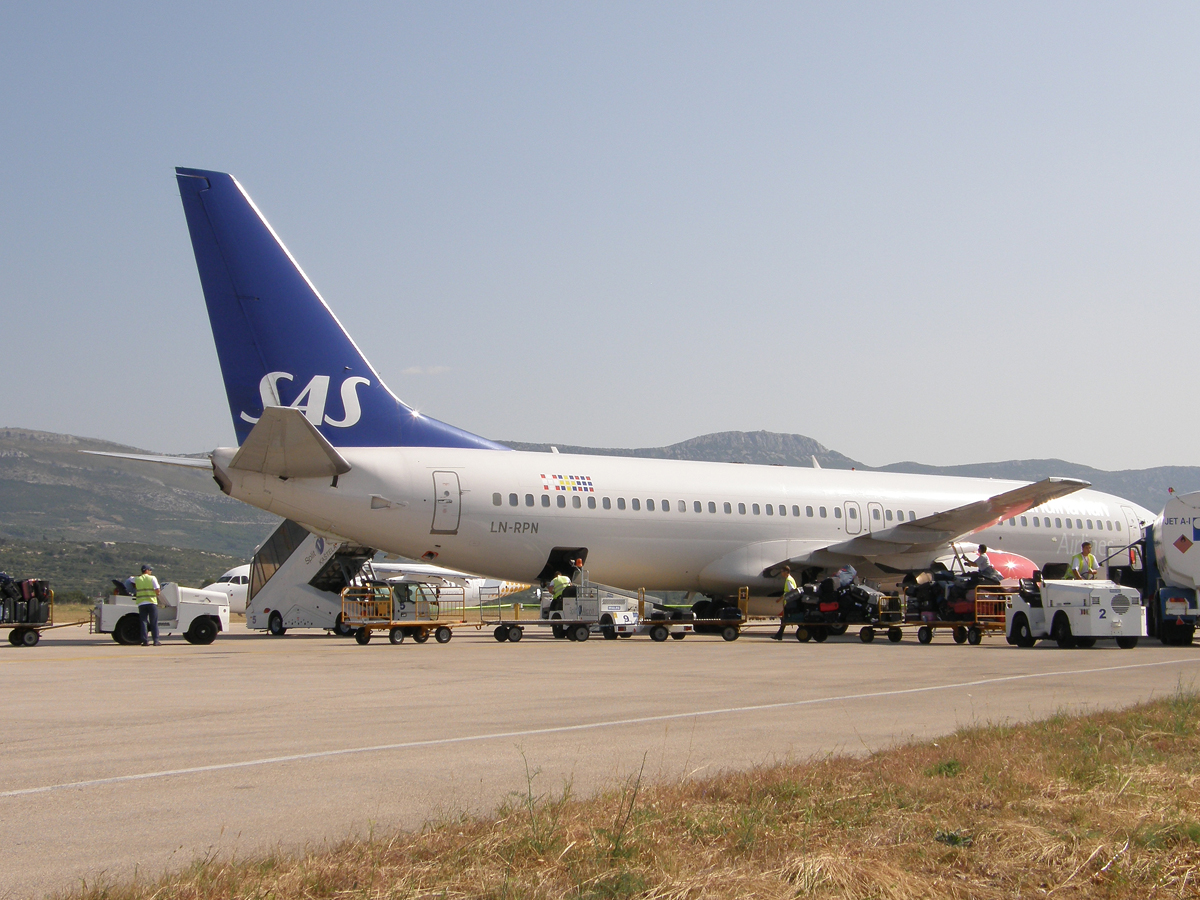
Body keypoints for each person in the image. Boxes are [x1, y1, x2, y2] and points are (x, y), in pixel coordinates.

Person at [133, 564, 162, 646]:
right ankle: (156, 640)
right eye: (150, 570)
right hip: (151, 602)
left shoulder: (137, 579)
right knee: (154, 622)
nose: (151, 571)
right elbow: (157, 590)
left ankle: (145, 641)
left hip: (141, 603)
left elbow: (130, 581)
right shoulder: (152, 578)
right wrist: (157, 594)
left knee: (143, 622)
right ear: (147, 570)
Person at [772, 566, 799, 640]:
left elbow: (792, 590)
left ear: (786, 572)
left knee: (785, 619)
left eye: (782, 571)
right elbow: (786, 592)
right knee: (785, 619)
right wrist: (780, 599)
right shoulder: (789, 579)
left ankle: (779, 635)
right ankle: (779, 635)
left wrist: (786, 599)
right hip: (788, 602)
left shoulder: (789, 580)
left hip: (789, 603)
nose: (781, 573)